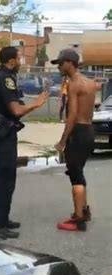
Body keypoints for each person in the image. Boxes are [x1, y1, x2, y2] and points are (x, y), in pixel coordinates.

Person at [0, 46, 48, 238]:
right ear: (11, 61)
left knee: (7, 179)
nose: (21, 62)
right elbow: (16, 110)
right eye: (19, 59)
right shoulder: (5, 79)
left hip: (4, 130)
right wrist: (36, 104)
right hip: (2, 132)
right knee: (3, 179)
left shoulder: (0, 76)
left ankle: (3, 219)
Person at [52, 49, 102, 232]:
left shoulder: (74, 84)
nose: (58, 66)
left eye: (60, 63)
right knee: (78, 171)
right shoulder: (89, 83)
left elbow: (72, 116)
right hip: (89, 130)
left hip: (78, 132)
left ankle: (79, 220)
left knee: (75, 174)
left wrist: (63, 140)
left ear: (70, 63)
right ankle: (84, 211)